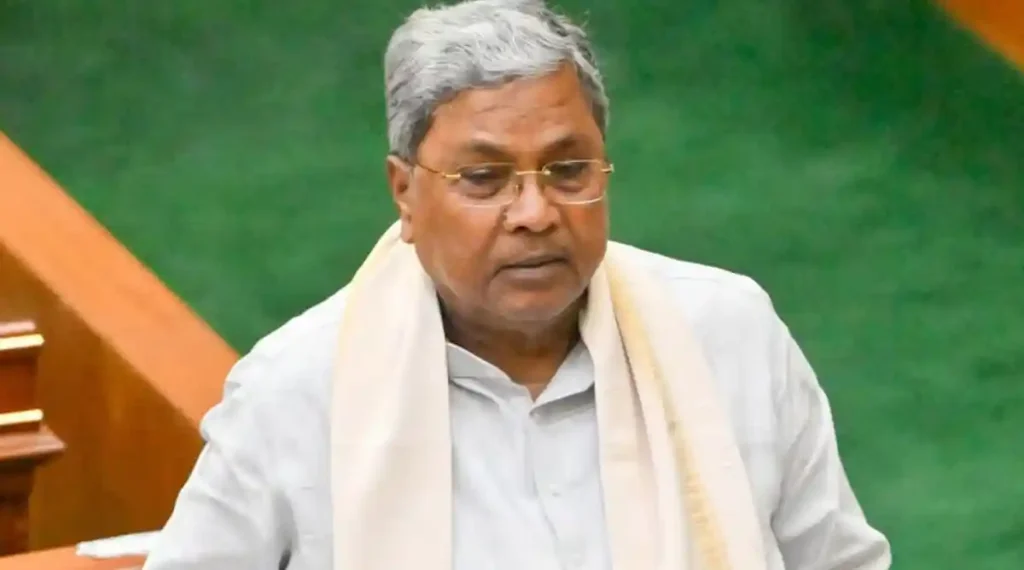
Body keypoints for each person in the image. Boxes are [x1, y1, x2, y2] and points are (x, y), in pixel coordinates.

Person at [144, 1, 891, 569]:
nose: (535, 213)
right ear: (405, 193)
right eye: (484, 178)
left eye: (568, 170)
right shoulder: (296, 391)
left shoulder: (728, 336)